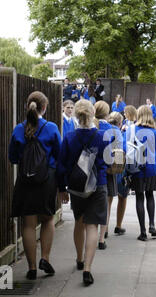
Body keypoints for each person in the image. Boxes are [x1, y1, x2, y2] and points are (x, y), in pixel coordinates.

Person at [56, 99, 110, 286]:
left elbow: (61, 165)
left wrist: (62, 188)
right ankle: (87, 269)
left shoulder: (69, 137)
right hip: (98, 185)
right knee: (92, 226)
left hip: (76, 187)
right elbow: (108, 161)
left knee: (79, 222)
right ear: (92, 114)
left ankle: (79, 259)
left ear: (76, 116)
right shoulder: (102, 136)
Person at [9, 91, 61, 280]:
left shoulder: (18, 129)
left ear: (27, 106)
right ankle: (45, 259)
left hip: (25, 181)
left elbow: (13, 157)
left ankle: (31, 268)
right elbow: (59, 154)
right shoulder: (52, 128)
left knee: (29, 224)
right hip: (46, 180)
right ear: (44, 107)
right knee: (47, 220)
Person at [123, 105, 156, 241]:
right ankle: (152, 225)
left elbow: (125, 148)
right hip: (151, 166)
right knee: (150, 195)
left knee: (139, 197)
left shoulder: (131, 129)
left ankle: (143, 232)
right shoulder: (154, 132)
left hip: (137, 167)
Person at [94, 101, 123, 250]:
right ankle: (102, 235)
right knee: (107, 204)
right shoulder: (114, 130)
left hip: (90, 170)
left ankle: (91, 234)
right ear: (107, 113)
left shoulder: (90, 127)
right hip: (109, 171)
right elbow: (119, 154)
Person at [108, 112, 128, 236]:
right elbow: (122, 151)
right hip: (118, 168)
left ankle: (104, 228)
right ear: (120, 123)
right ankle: (118, 225)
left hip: (106, 167)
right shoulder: (120, 134)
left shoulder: (102, 129)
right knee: (122, 196)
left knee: (108, 199)